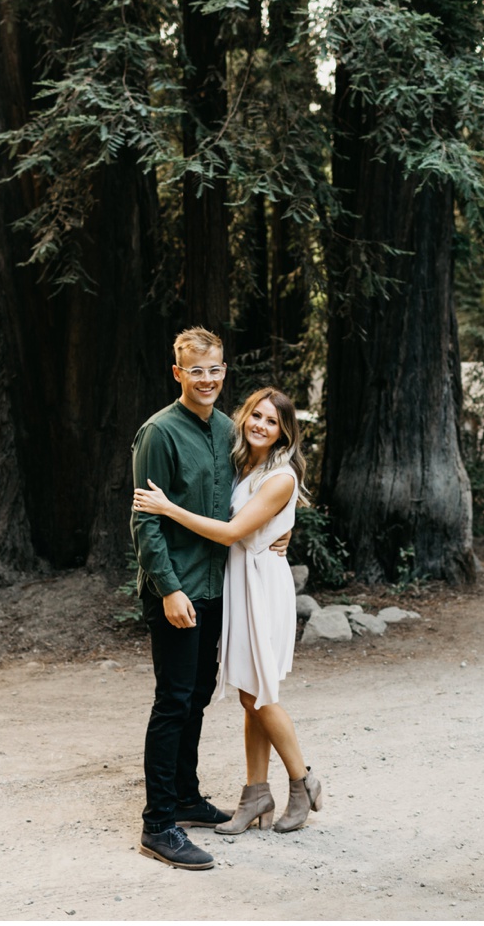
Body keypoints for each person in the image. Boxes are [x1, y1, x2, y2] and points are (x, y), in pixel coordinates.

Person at [130, 326, 288, 871]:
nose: (206, 379)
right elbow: (145, 520)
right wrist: (169, 588)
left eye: (214, 369)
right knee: (173, 701)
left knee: (197, 697)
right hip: (177, 590)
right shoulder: (158, 433)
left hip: (219, 588)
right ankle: (158, 824)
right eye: (195, 370)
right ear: (178, 373)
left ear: (224, 371)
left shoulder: (228, 429)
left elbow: (259, 493)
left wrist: (282, 532)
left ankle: (187, 798)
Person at [134, 385, 325, 836]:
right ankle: (256, 792)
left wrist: (166, 507)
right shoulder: (245, 463)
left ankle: (303, 779)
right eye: (256, 416)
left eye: (272, 421)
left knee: (257, 694)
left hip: (260, 587)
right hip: (237, 582)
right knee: (249, 691)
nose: (261, 425)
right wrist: (285, 529)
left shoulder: (279, 476)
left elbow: (231, 531)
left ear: (284, 432)